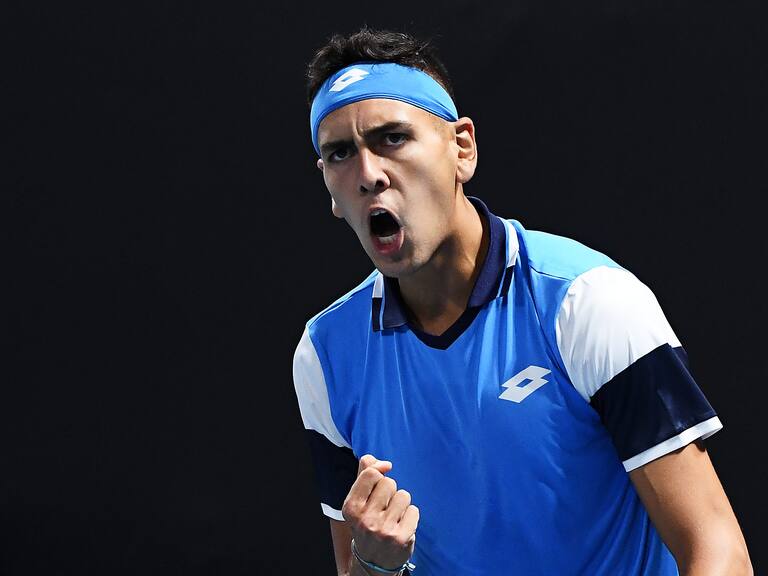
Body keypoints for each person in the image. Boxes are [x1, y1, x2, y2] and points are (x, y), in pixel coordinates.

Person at [292, 28, 752, 576]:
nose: (368, 175)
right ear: (329, 188)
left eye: (392, 138)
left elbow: (717, 549)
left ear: (461, 149)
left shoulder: (588, 301)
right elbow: (355, 569)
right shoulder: (324, 356)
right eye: (340, 153)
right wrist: (377, 564)